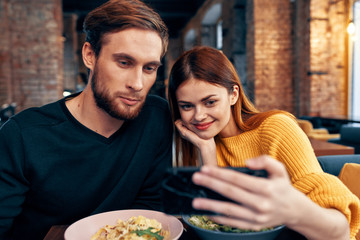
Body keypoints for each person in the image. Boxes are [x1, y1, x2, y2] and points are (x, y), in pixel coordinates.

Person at [0, 0, 172, 239]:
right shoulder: (23, 135)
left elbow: (152, 207)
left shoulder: (156, 117)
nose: (138, 84)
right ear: (90, 55)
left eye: (149, 68)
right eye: (124, 62)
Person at [167, 46, 360, 240]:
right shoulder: (199, 141)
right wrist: (207, 150)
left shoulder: (275, 128)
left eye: (210, 102)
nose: (199, 116)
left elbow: (339, 232)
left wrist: (292, 209)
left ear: (233, 95)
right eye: (187, 106)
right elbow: (217, 219)